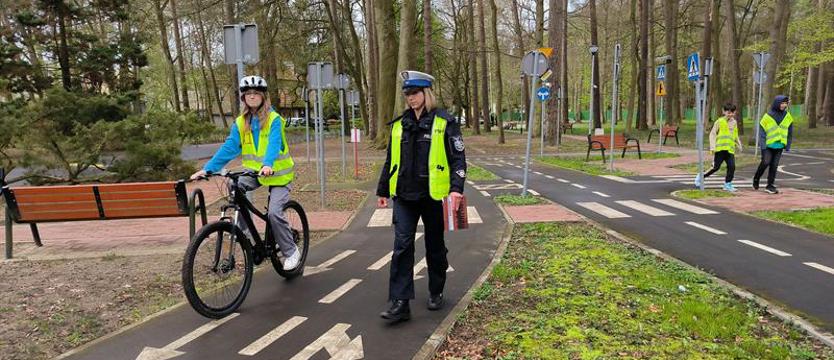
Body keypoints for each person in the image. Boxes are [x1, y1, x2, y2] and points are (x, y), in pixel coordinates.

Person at [376, 70, 467, 322]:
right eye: (407, 94)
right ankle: (400, 302)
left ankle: (436, 290)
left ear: (426, 93)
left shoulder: (445, 122)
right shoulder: (398, 125)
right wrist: (383, 190)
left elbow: (458, 159)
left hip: (433, 196)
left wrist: (457, 189)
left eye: (415, 93)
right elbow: (390, 160)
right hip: (404, 196)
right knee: (402, 246)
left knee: (434, 246)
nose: (410, 98)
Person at [190, 75, 301, 270]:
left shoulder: (274, 119)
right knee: (236, 189)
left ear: (262, 96)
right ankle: (244, 236)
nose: (251, 96)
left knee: (275, 213)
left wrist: (268, 164)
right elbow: (229, 147)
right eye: (247, 93)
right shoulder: (241, 123)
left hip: (278, 174)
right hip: (255, 173)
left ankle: (291, 252)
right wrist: (207, 169)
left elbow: (274, 145)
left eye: (255, 93)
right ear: (243, 98)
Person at [695, 103, 743, 192]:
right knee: (716, 167)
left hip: (730, 150)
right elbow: (712, 134)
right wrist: (712, 147)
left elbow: (735, 135)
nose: (730, 114)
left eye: (732, 112)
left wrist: (739, 144)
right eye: (728, 112)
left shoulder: (734, 122)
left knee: (732, 166)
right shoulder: (719, 121)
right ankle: (701, 176)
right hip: (720, 150)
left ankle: (727, 184)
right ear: (724, 112)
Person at [753, 95, 793, 194]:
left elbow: (790, 132)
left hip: (779, 146)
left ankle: (770, 185)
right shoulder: (767, 116)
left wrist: (788, 145)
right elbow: (762, 132)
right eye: (782, 103)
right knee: (766, 162)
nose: (784, 105)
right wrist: (762, 145)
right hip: (767, 146)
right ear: (777, 103)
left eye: (785, 103)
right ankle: (756, 178)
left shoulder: (788, 116)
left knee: (774, 166)